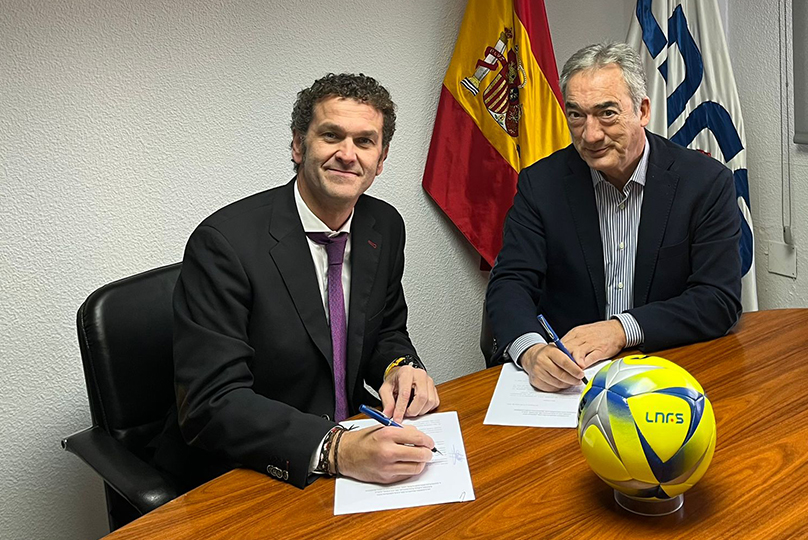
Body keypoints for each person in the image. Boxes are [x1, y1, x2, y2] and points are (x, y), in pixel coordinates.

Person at [152, 73, 439, 491]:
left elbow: (387, 330)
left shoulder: (385, 226)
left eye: (364, 141)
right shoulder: (224, 244)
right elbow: (211, 403)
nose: (347, 154)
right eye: (331, 135)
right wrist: (335, 448)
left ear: (381, 158)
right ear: (298, 145)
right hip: (248, 471)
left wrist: (400, 368)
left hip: (354, 456)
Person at [485, 43, 742, 392]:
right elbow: (510, 282)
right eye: (576, 115)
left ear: (643, 110)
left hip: (666, 375)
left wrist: (622, 329)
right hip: (570, 384)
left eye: (607, 113)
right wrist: (531, 351)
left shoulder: (705, 182)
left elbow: (718, 299)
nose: (590, 135)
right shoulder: (541, 185)